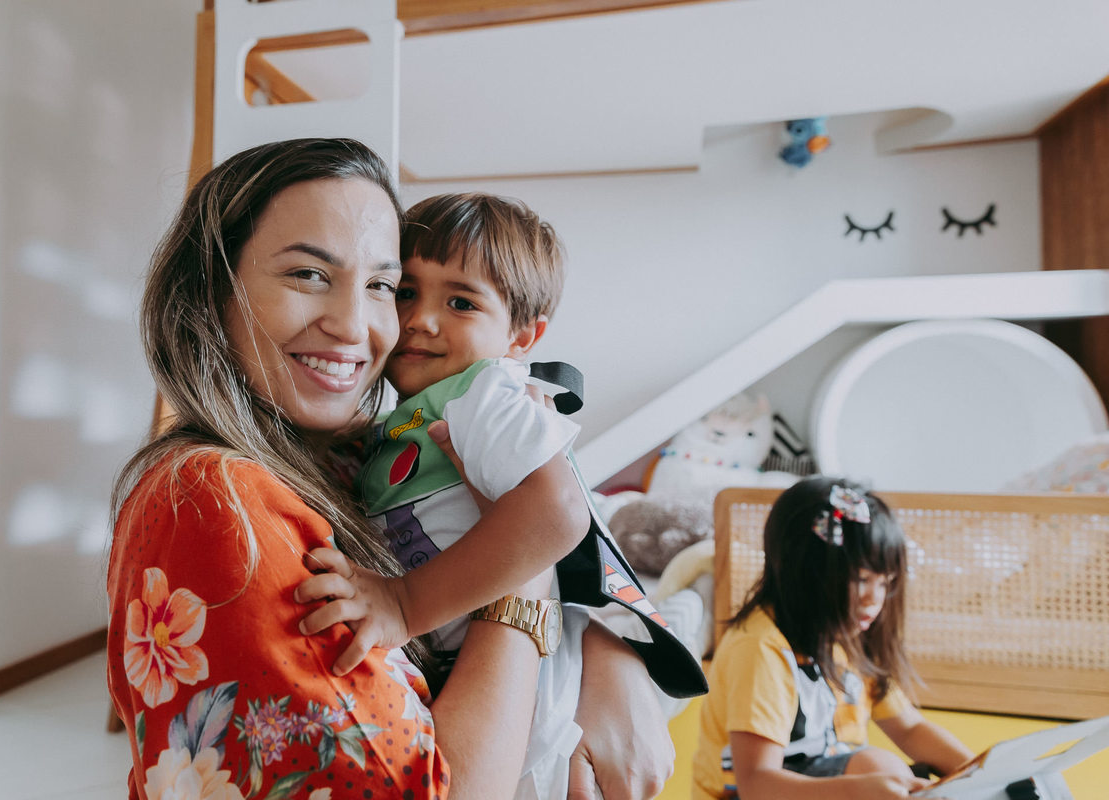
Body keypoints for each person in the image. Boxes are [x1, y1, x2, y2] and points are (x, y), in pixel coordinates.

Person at [106, 138, 673, 800]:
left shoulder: (360, 446)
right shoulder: (216, 498)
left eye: (377, 285)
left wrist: (616, 658)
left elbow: (570, 510)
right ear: (210, 290)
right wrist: (527, 585)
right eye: (308, 274)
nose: (359, 325)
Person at [296, 192, 708, 798]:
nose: (420, 320)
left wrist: (403, 603)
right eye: (404, 291)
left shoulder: (485, 392)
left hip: (537, 690)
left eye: (460, 302)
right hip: (483, 666)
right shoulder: (403, 416)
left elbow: (560, 512)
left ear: (523, 335)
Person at [691, 476, 974, 800]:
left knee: (899, 777)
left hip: (820, 780)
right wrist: (860, 790)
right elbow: (757, 783)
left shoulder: (847, 637)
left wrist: (979, 772)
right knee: (881, 769)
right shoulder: (759, 648)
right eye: (861, 580)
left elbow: (909, 728)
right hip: (754, 792)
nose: (874, 599)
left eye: (885, 583)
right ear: (805, 573)